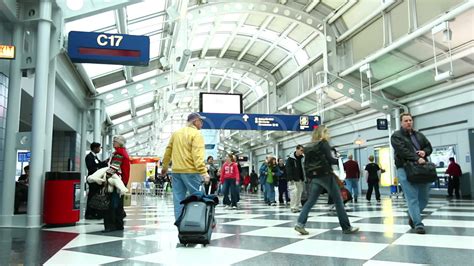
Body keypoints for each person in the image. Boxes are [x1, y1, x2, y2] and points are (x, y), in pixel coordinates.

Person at [295, 125, 358, 235]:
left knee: (311, 201)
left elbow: (306, 163)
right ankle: (346, 227)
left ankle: (300, 223)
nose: (329, 135)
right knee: (338, 201)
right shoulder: (323, 143)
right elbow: (330, 159)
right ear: (322, 133)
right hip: (325, 174)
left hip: (314, 176)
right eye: (327, 132)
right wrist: (338, 159)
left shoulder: (308, 146)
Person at [161, 112, 210, 221]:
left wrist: (164, 168)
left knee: (178, 200)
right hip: (191, 172)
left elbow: (168, 151)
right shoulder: (196, 134)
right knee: (198, 198)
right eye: (201, 121)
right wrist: (204, 172)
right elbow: (197, 156)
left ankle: (180, 224)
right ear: (195, 121)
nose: (202, 124)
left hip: (176, 172)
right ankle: (198, 223)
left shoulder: (176, 133)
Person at [391, 112, 433, 234]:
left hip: (421, 169)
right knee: (412, 197)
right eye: (406, 121)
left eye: (410, 120)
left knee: (424, 198)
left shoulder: (419, 135)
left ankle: (412, 215)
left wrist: (424, 152)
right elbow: (403, 151)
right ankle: (418, 224)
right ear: (401, 123)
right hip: (404, 168)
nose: (409, 122)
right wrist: (416, 157)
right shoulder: (396, 136)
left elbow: (429, 147)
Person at [103, 135, 130, 232]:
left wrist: (104, 176)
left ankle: (111, 225)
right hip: (122, 181)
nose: (113, 142)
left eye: (115, 141)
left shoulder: (119, 153)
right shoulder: (123, 152)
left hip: (116, 181)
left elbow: (114, 168)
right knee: (118, 203)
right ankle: (119, 224)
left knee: (113, 203)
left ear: (120, 143)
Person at [85, 142, 108, 219]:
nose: (99, 149)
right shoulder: (89, 157)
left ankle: (95, 212)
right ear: (95, 148)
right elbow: (92, 167)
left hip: (97, 179)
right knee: (91, 195)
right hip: (92, 179)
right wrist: (99, 167)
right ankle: (89, 213)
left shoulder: (95, 157)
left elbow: (99, 164)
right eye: (99, 148)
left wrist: (105, 162)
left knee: (96, 195)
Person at [286, 145, 305, 213]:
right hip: (292, 179)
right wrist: (290, 179)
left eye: (303, 150)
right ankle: (293, 207)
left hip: (300, 179)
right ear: (297, 149)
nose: (302, 152)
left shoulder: (302, 158)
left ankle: (297, 207)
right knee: (294, 193)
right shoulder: (290, 159)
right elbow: (288, 169)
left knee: (299, 193)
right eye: (301, 150)